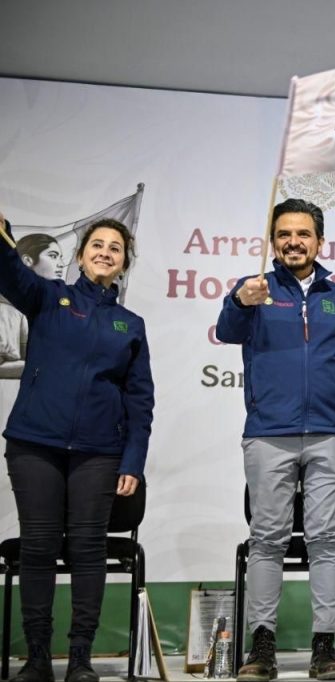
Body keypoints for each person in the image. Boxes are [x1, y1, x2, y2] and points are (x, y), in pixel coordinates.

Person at [216, 198, 335, 682]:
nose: (293, 241)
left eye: (303, 234)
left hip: (332, 433)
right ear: (273, 241)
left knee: (327, 540)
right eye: (284, 234)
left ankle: (324, 648)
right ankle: (261, 647)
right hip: (269, 433)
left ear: (319, 242)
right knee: (266, 540)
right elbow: (227, 332)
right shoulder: (255, 290)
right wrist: (238, 301)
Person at [0, 212, 153, 682]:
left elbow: (140, 402)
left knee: (88, 549)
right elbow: (9, 271)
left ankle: (81, 658)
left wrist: (133, 460)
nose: (105, 252)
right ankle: (38, 657)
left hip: (99, 452)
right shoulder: (47, 297)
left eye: (115, 248)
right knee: (40, 547)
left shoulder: (130, 324)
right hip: (34, 445)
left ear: (124, 263)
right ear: (81, 255)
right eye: (97, 245)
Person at [0, 234, 65, 379]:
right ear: (27, 260)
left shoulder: (52, 308)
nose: (61, 264)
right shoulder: (6, 312)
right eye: (53, 256)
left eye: (61, 257)